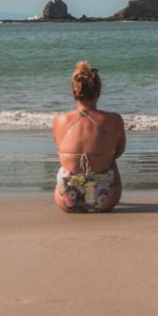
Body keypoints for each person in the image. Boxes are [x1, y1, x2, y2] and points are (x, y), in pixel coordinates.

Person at [53, 61, 126, 213]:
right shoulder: (114, 119)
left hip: (67, 200)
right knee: (111, 157)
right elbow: (119, 151)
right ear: (99, 92)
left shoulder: (59, 120)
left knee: (65, 158)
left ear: (73, 92)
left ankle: (71, 188)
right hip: (106, 199)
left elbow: (58, 149)